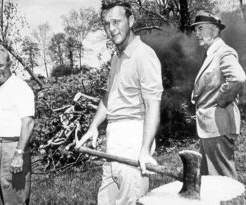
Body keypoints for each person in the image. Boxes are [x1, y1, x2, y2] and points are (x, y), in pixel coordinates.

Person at [75, 1, 163, 204]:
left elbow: (153, 107)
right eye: (106, 24)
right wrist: (93, 127)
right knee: (105, 200)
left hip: (133, 138)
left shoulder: (144, 55)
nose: (111, 29)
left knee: (130, 200)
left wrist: (144, 149)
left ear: (130, 20)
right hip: (113, 139)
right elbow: (108, 98)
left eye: (116, 21)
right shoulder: (117, 57)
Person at [190, 10, 246, 179]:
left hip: (218, 125)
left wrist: (221, 101)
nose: (196, 34)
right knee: (210, 181)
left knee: (225, 182)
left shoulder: (224, 52)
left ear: (214, 30)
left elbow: (237, 78)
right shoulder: (211, 54)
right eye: (195, 30)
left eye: (200, 29)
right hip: (209, 128)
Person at [0, 47, 35, 205]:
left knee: (15, 198)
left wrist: (19, 154)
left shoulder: (21, 88)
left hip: (12, 148)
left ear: (10, 64)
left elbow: (28, 122)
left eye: (0, 65)